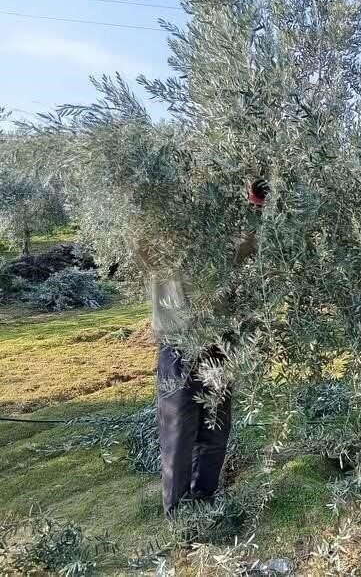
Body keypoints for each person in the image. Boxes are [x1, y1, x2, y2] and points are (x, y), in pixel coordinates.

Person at [131, 179, 268, 517]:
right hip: (177, 349)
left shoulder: (219, 252)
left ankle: (205, 499)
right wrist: (138, 190)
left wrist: (256, 204)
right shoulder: (160, 253)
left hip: (218, 348)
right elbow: (137, 238)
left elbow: (246, 245)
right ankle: (176, 511)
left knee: (216, 430)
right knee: (178, 435)